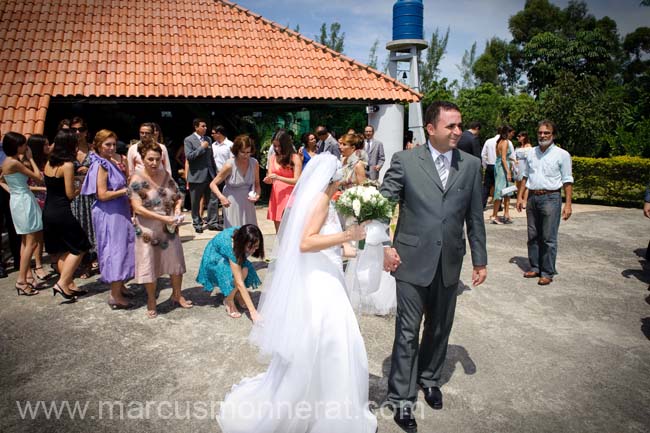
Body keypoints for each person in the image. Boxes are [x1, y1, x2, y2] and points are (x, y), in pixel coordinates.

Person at [218, 153, 377, 433]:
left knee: (328, 341)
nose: (345, 176)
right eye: (341, 173)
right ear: (333, 178)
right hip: (319, 281)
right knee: (328, 338)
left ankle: (322, 399)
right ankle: (317, 408)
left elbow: (321, 240)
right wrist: (346, 237)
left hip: (325, 271)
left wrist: (352, 247)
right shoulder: (321, 201)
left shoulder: (324, 200)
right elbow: (306, 242)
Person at [380, 101, 487, 432]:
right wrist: (384, 245)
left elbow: (474, 216)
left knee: (440, 328)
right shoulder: (405, 161)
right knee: (408, 332)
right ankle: (401, 399)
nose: (458, 131)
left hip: (450, 261)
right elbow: (381, 205)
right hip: (409, 260)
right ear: (430, 128)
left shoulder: (470, 166)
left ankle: (429, 378)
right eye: (451, 126)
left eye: (460, 126)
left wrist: (480, 259)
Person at [129, 141, 191, 318]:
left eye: (158, 159)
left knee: (175, 260)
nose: (154, 163)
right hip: (148, 228)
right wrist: (164, 217)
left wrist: (177, 208)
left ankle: (177, 295)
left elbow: (177, 196)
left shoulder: (165, 174)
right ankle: (151, 300)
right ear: (142, 158)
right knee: (149, 263)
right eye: (150, 159)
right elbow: (138, 208)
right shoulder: (136, 179)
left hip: (169, 225)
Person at [81, 130, 135, 309]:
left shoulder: (110, 162)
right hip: (109, 213)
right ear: (98, 145)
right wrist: (125, 191)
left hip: (118, 210)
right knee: (115, 250)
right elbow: (102, 194)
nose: (112, 148)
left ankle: (120, 286)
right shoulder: (100, 165)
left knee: (124, 247)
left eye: (113, 144)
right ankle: (115, 295)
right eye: (107, 145)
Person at [516, 120, 573, 286]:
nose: (542, 136)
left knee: (548, 237)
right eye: (540, 132)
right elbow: (525, 176)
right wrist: (520, 197)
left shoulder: (562, 155)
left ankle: (547, 272)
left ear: (553, 135)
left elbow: (567, 180)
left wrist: (568, 204)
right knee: (533, 235)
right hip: (533, 197)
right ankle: (535, 267)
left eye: (546, 133)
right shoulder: (531, 153)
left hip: (551, 198)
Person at [43, 130, 92, 301]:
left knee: (65, 249)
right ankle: (62, 282)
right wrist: (81, 186)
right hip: (62, 211)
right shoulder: (68, 165)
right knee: (81, 246)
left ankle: (70, 284)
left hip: (49, 210)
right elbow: (70, 194)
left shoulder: (49, 162)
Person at [1, 132, 44, 296]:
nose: (25, 147)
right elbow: (38, 177)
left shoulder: (7, 161)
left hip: (19, 199)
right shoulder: (14, 163)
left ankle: (27, 276)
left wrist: (13, 192)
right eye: (23, 144)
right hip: (24, 200)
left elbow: (1, 180)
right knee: (31, 242)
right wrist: (31, 158)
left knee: (25, 242)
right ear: (16, 146)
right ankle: (21, 280)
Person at [196, 224, 264, 320]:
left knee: (245, 269)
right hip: (215, 257)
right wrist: (253, 312)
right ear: (242, 242)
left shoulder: (244, 234)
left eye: (256, 246)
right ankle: (229, 299)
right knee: (240, 274)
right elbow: (240, 282)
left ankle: (236, 294)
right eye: (250, 247)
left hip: (230, 252)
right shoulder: (230, 248)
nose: (253, 251)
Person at [210, 134, 260, 228]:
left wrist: (257, 195)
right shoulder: (229, 165)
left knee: (250, 231)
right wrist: (221, 197)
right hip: (232, 202)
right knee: (234, 231)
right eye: (243, 152)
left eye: (248, 152)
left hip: (248, 202)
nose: (246, 155)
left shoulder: (254, 163)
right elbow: (213, 184)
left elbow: (257, 185)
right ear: (237, 150)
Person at [70, 116, 97, 279]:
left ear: (86, 132)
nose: (77, 132)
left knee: (92, 228)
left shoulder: (93, 150)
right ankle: (80, 264)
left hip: (90, 194)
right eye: (74, 130)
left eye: (80, 129)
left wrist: (90, 170)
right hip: (73, 195)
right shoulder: (67, 150)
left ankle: (92, 262)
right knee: (77, 229)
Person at [184, 118, 219, 233]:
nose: (205, 128)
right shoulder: (188, 140)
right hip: (196, 175)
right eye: (203, 126)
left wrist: (215, 172)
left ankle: (213, 222)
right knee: (195, 201)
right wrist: (201, 148)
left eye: (205, 126)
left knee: (213, 199)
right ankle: (197, 223)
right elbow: (189, 157)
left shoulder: (208, 139)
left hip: (210, 174)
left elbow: (211, 157)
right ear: (196, 127)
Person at [265, 129, 302, 233]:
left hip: (290, 195)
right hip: (276, 195)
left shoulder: (295, 158)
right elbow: (271, 177)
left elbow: (297, 180)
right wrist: (269, 180)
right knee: (279, 231)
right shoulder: (273, 157)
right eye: (275, 146)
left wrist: (278, 177)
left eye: (279, 146)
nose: (277, 149)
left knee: (291, 230)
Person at [490, 125, 515, 224]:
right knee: (500, 190)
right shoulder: (504, 142)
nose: (512, 135)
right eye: (511, 133)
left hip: (501, 165)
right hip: (502, 167)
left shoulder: (499, 142)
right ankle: (495, 215)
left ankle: (506, 213)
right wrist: (508, 171)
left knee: (506, 190)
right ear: (507, 132)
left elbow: (502, 157)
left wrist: (512, 160)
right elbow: (503, 158)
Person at [210, 125, 234, 229]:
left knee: (227, 197)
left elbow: (233, 160)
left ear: (219, 133)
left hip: (227, 175)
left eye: (213, 133)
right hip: (215, 175)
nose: (212, 135)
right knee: (213, 198)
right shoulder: (213, 145)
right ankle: (213, 221)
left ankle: (226, 219)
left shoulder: (230, 145)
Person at [481, 129, 499, 208]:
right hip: (499, 166)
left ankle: (482, 204)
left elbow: (483, 154)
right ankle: (498, 205)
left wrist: (485, 165)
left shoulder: (488, 141)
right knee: (498, 186)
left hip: (490, 165)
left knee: (486, 186)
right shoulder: (506, 142)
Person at [514, 131, 533, 205]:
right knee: (518, 184)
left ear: (524, 137)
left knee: (525, 184)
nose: (517, 138)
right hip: (518, 166)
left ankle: (525, 200)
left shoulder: (529, 147)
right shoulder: (518, 147)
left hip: (525, 165)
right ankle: (519, 199)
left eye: (519, 136)